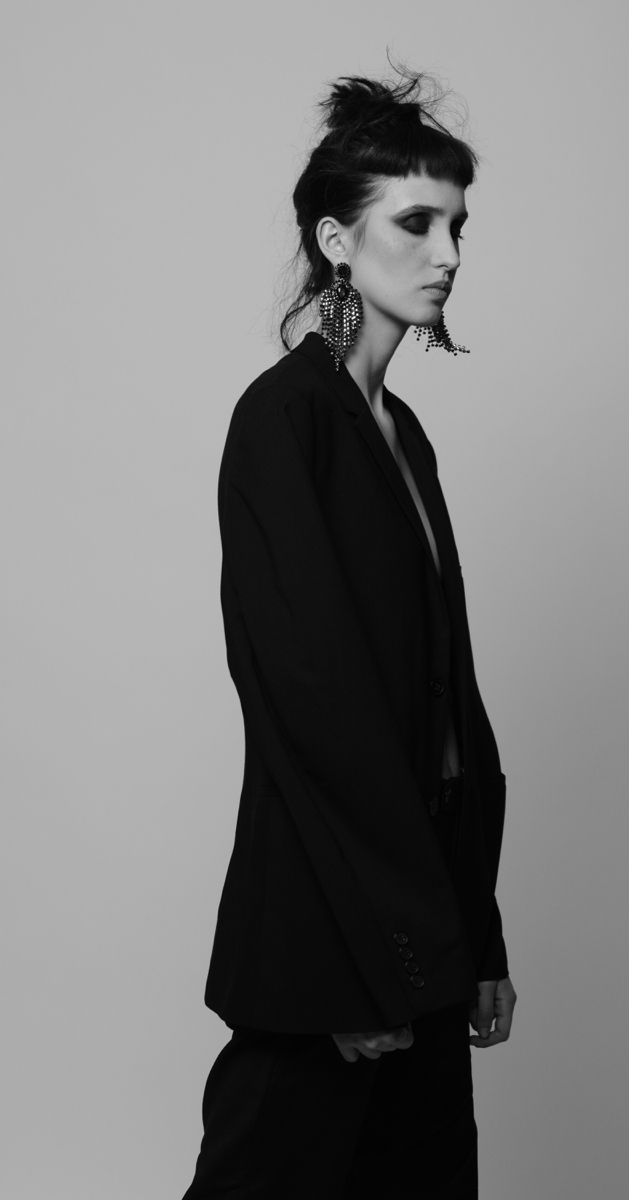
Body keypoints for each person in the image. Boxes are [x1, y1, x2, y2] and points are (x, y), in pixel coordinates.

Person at [181, 69, 517, 1200]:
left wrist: (476, 939)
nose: (446, 253)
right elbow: (308, 707)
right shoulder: (285, 421)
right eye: (414, 224)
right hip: (338, 935)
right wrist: (375, 959)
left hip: (424, 909)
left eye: (457, 226)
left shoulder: (402, 434)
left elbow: (445, 702)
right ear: (337, 241)